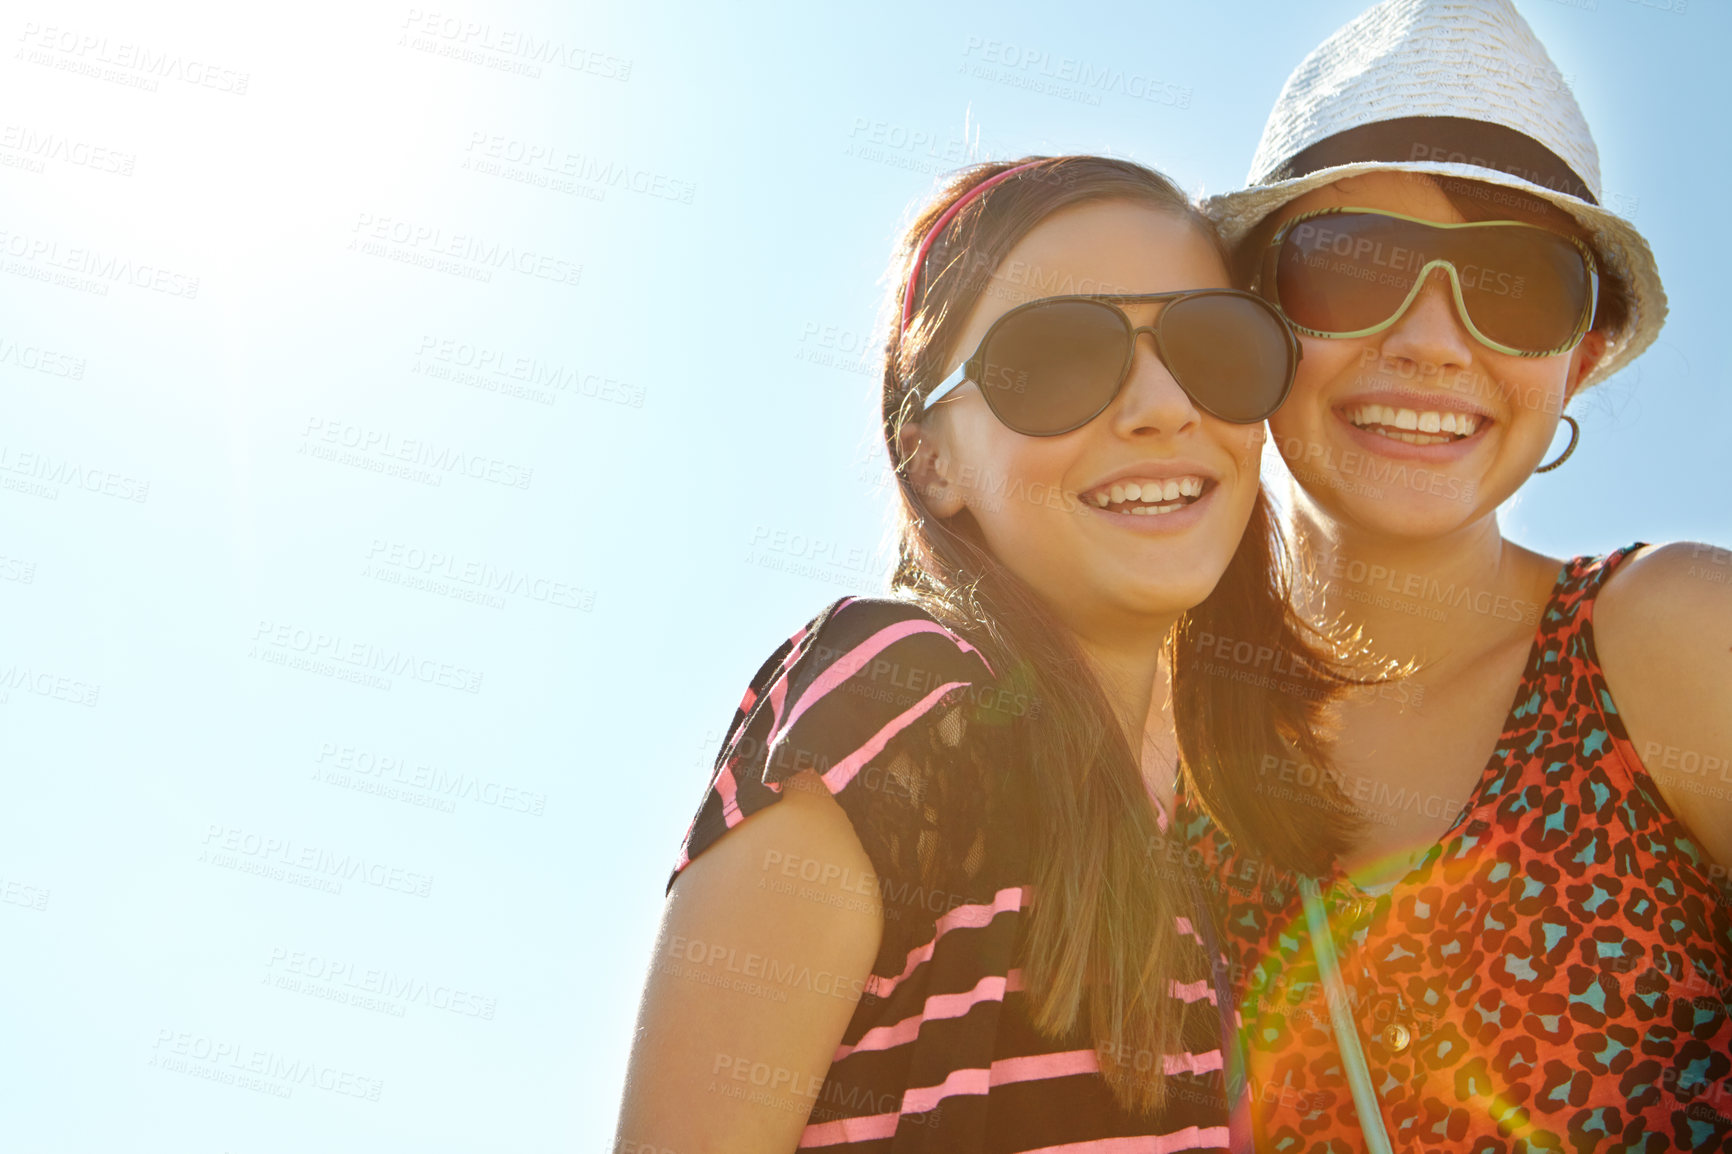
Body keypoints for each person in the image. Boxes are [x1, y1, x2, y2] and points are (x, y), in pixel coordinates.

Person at [613, 155, 1373, 1153]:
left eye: (1214, 345)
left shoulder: (1233, 833)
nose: (1163, 406)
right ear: (927, 457)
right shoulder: (891, 692)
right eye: (1056, 358)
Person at [1184, 2, 1732, 1151]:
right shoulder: (1157, 740)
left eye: (1516, 286)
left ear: (1576, 359)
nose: (1431, 338)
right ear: (1251, 320)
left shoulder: (1672, 639)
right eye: (1348, 268)